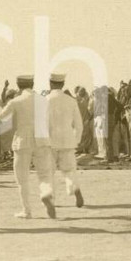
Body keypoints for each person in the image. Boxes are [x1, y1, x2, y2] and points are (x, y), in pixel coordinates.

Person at [0, 75, 52, 219]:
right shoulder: (43, 100)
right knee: (44, 174)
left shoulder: (16, 101)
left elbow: (1, 116)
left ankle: (26, 210)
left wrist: (7, 103)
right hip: (41, 139)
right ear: (33, 84)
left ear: (18, 85)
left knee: (22, 178)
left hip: (23, 140)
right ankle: (46, 195)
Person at [34, 73, 84, 211]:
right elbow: (79, 124)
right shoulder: (71, 101)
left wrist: (39, 143)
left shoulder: (45, 100)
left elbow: (40, 124)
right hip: (67, 141)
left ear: (50, 84)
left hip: (49, 142)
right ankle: (75, 188)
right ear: (63, 84)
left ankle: (50, 196)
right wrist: (76, 140)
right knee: (69, 170)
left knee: (48, 171)